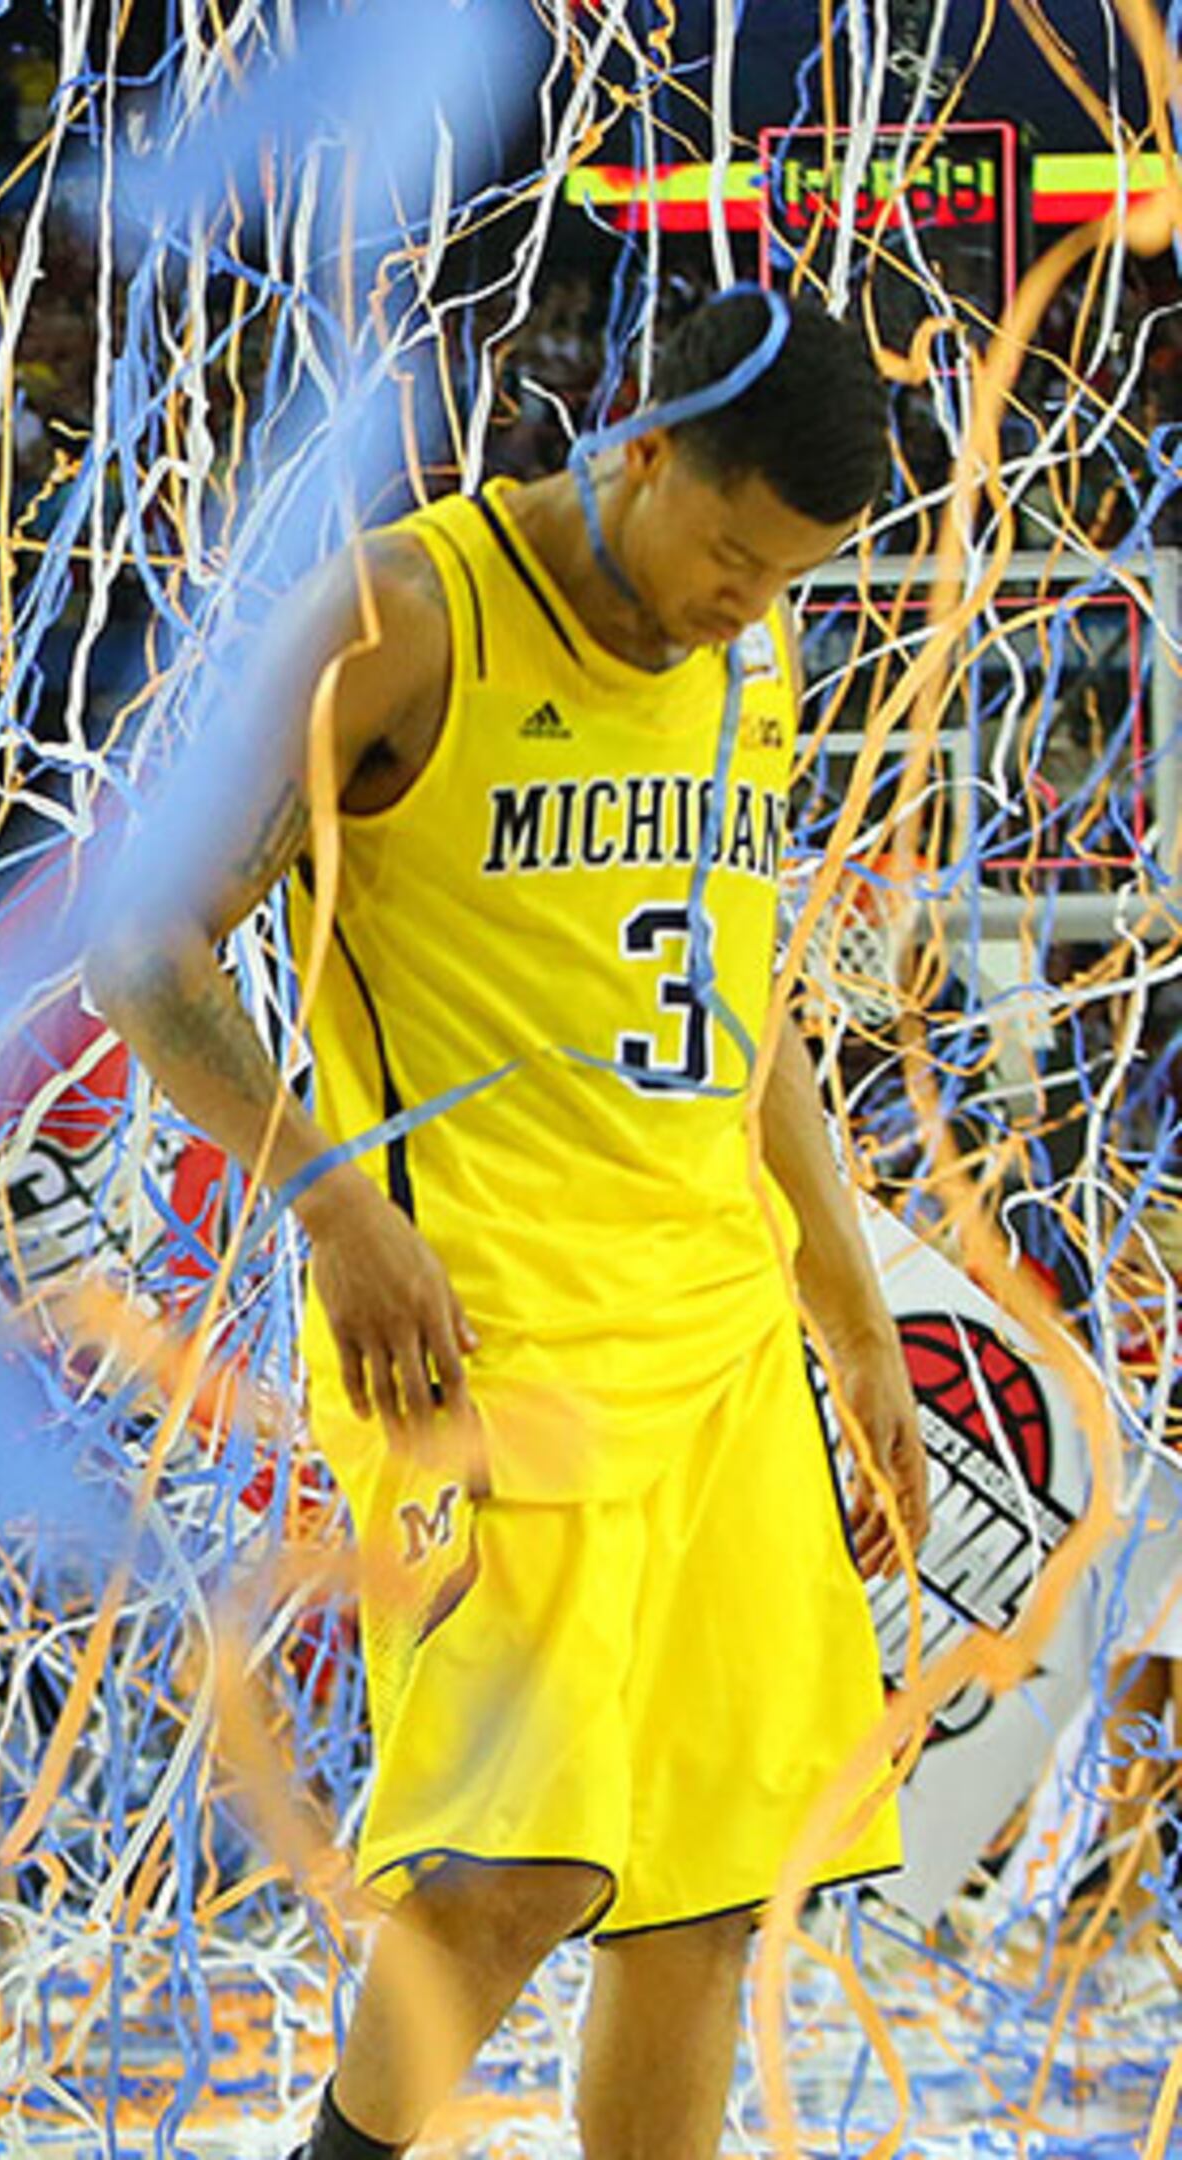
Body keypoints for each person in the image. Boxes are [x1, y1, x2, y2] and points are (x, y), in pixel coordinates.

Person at [82, 288, 923, 2159]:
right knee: (504, 1879)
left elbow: (737, 992)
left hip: (713, 1336)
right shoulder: (407, 612)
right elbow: (141, 941)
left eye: (786, 576)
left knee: (710, 1902)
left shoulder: (750, 666)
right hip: (479, 1336)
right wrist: (330, 1206)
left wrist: (851, 1311)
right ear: (637, 454)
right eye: (728, 552)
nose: (746, 603)